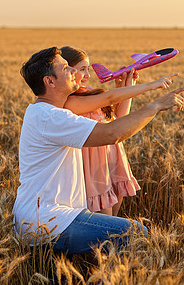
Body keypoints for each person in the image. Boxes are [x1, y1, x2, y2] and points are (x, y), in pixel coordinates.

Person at [12, 47, 184, 257]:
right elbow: (111, 134)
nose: (72, 71)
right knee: (135, 232)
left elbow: (110, 116)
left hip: (46, 218)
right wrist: (156, 105)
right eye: (65, 68)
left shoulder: (45, 112)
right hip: (50, 221)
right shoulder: (51, 117)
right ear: (49, 82)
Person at [60, 46, 142, 216]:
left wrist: (127, 85)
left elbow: (118, 118)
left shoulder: (91, 92)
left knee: (116, 204)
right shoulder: (70, 102)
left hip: (111, 155)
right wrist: (120, 91)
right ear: (66, 70)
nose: (88, 75)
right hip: (93, 163)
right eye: (82, 69)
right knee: (104, 214)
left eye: (88, 69)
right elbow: (110, 98)